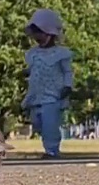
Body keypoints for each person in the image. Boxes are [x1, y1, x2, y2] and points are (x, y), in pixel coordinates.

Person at [23, 9, 73, 159]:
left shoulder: (61, 54)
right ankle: (48, 143)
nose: (36, 37)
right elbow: (32, 70)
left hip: (53, 95)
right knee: (38, 123)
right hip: (36, 94)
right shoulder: (33, 54)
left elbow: (67, 72)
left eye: (39, 32)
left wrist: (68, 86)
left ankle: (52, 150)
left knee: (50, 124)